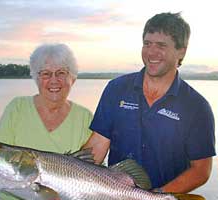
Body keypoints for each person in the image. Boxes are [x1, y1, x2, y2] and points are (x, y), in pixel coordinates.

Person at [0, 43, 93, 200]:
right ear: (36, 78)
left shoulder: (85, 117)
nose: (54, 80)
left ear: (72, 78)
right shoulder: (17, 108)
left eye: (61, 73)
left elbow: (92, 168)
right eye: (46, 74)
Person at [83, 12, 216, 194]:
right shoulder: (116, 89)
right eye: (147, 44)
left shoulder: (196, 107)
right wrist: (65, 176)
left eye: (161, 45)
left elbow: (201, 170)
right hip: (114, 195)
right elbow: (97, 147)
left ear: (181, 51)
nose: (151, 52)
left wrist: (158, 195)